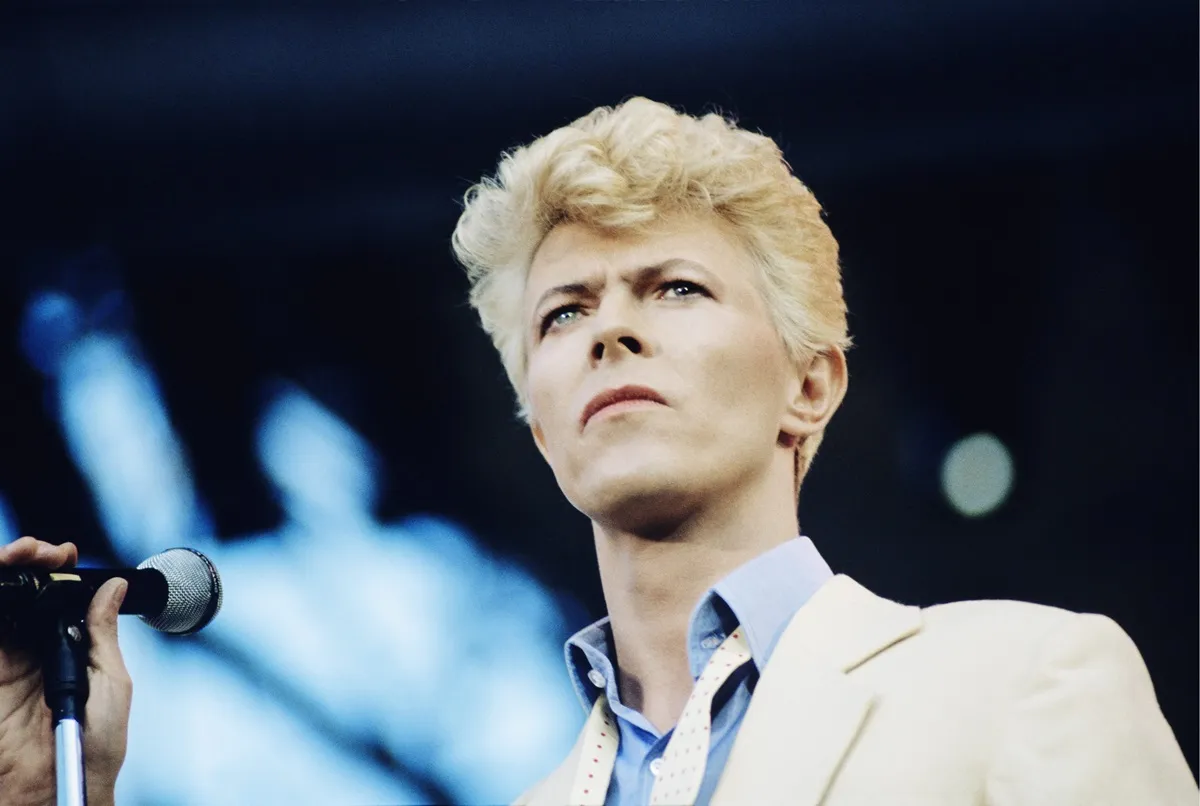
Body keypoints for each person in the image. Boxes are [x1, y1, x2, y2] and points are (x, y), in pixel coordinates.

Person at [1, 96, 1194, 805]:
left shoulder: (1025, 677)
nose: (608, 325)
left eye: (672, 286)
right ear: (538, 420)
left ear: (810, 382)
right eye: (564, 312)